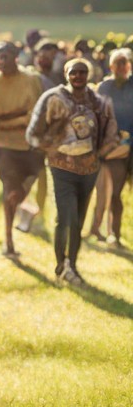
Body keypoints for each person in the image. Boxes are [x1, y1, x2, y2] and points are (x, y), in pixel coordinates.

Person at [27, 57, 117, 285]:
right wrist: (51, 149)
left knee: (78, 220)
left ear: (89, 76)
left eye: (82, 73)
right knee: (66, 217)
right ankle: (61, 264)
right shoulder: (53, 98)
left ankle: (72, 265)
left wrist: (100, 153)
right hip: (61, 168)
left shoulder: (98, 102)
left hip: (89, 170)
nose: (78, 76)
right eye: (73, 72)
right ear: (66, 73)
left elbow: (110, 132)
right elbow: (33, 133)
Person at [0, 42, 44, 258]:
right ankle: (8, 240)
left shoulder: (30, 80)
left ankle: (25, 209)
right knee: (10, 192)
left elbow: (33, 115)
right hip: (4, 146)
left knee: (26, 185)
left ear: (16, 57)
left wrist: (5, 119)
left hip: (30, 146)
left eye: (5, 57)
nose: (1, 62)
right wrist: (14, 118)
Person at [91, 47, 133, 246]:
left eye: (125, 63)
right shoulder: (105, 87)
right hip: (110, 146)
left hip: (129, 145)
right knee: (107, 191)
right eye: (118, 63)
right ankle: (105, 231)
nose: (122, 67)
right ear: (111, 66)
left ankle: (114, 233)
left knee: (118, 192)